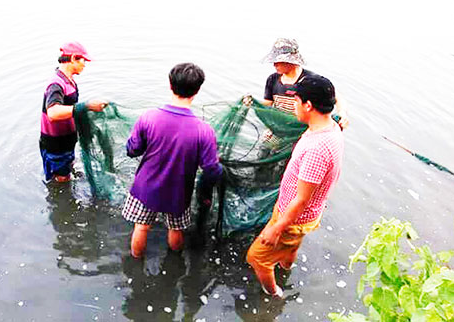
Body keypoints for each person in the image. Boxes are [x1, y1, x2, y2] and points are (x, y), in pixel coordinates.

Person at [246, 74, 344, 298]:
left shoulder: (317, 150)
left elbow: (302, 200)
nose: (294, 107)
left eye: (296, 102)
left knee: (256, 257)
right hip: (305, 214)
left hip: (294, 217)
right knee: (290, 246)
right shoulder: (331, 127)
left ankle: (274, 294)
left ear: (308, 105)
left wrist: (276, 229)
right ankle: (286, 266)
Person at [121, 63, 223, 258]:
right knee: (176, 230)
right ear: (197, 90)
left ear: (170, 85)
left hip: (145, 188)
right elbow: (211, 169)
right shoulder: (204, 130)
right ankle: (174, 262)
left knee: (141, 227)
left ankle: (136, 264)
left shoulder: (148, 117)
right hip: (179, 193)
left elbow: (133, 150)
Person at [40, 42, 108, 183]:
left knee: (69, 166)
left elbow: (70, 109)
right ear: (73, 58)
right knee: (62, 179)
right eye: (83, 60)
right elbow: (52, 112)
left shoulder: (70, 81)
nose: (84, 65)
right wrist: (87, 106)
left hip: (67, 139)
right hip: (55, 144)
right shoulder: (56, 84)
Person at [244, 38, 349, 129]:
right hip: (279, 125)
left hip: (301, 127)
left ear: (291, 61)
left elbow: (337, 97)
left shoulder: (310, 80)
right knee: (265, 146)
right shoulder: (273, 79)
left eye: (278, 61)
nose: (274, 64)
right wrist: (253, 103)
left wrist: (342, 114)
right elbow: (268, 104)